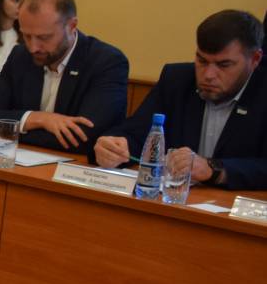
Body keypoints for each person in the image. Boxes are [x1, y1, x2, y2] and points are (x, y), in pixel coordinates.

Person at [94, 10, 266, 190]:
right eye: (202, 61)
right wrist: (113, 146)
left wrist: (214, 170)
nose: (208, 75)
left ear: (255, 59)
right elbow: (136, 134)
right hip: (172, 198)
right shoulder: (177, 79)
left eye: (223, 65)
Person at [0, 0, 129, 155]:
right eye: (26, 36)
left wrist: (12, 129)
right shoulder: (20, 55)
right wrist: (37, 118)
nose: (33, 47)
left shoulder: (106, 62)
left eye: (44, 37)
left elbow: (83, 138)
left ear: (72, 26)